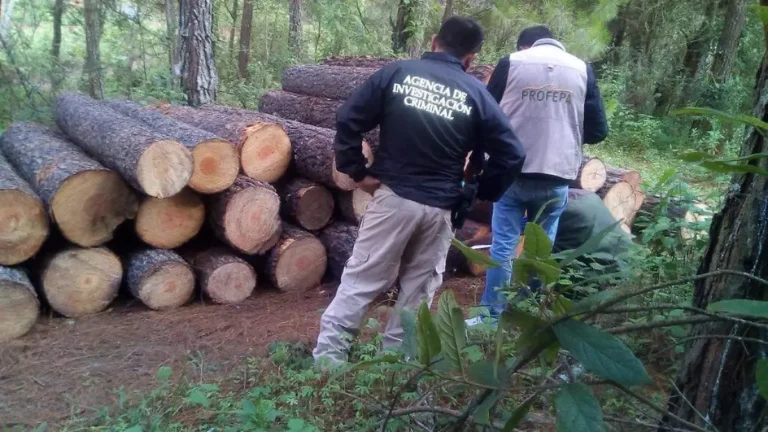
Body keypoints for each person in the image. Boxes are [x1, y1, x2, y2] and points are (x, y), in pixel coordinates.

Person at [313, 17, 527, 366]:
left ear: (433, 41)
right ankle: (396, 367)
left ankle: (328, 362)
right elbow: (513, 153)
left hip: (393, 199)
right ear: (471, 57)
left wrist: (358, 172)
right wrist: (482, 190)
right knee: (417, 292)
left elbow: (348, 118)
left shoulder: (397, 73)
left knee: (361, 281)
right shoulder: (477, 94)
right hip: (441, 209)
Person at [470, 25, 609, 324]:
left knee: (504, 245)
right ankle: (528, 313)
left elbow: (484, 116)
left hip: (512, 173)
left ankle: (491, 317)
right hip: (556, 176)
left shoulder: (511, 63)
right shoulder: (582, 69)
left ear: (524, 46)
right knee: (540, 248)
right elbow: (598, 131)